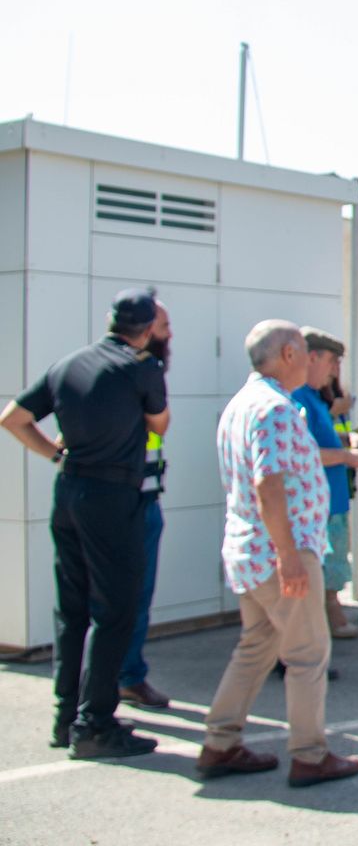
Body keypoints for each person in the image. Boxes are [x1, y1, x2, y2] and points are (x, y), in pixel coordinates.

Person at [1, 289, 168, 758]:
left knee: (71, 610)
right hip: (113, 498)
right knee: (114, 612)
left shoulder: (68, 364)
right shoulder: (142, 368)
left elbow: (13, 419)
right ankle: (95, 724)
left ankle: (65, 718)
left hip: (70, 491)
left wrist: (56, 453)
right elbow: (159, 424)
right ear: (147, 329)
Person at [196, 321, 358, 786]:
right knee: (308, 655)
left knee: (256, 648)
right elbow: (268, 484)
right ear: (289, 354)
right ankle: (310, 755)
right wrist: (289, 555)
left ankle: (219, 742)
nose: (312, 359)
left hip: (251, 552)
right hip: (280, 553)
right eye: (306, 351)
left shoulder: (242, 404)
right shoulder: (275, 409)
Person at [291, 327, 358, 640]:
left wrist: (349, 439)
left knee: (333, 561)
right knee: (323, 565)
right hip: (315, 505)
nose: (335, 369)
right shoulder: (297, 398)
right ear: (312, 358)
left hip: (331, 499)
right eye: (332, 361)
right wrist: (345, 456)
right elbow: (302, 452)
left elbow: (318, 438)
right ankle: (323, 624)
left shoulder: (313, 397)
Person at [119, 297, 175, 711]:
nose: (170, 335)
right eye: (165, 326)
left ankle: (119, 677)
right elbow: (160, 422)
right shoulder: (141, 370)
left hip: (138, 492)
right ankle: (127, 677)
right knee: (131, 596)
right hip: (132, 499)